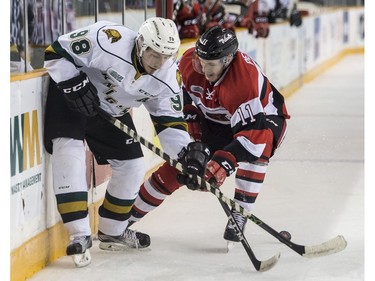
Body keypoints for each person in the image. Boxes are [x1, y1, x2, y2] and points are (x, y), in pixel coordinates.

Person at [43, 17, 209, 266]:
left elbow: (169, 123)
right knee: (70, 149)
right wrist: (73, 83)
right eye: (155, 54)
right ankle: (79, 234)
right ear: (141, 44)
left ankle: (112, 230)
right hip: (72, 96)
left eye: (167, 55)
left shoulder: (168, 77)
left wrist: (185, 157)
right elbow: (55, 51)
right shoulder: (108, 39)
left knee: (132, 165)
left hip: (109, 112)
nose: (160, 62)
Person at [129, 26, 290, 244]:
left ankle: (239, 213)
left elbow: (252, 137)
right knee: (180, 165)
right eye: (202, 61)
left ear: (228, 59)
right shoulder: (190, 62)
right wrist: (192, 120)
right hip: (216, 119)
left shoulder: (243, 81)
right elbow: (177, 90)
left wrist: (222, 164)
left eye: (211, 64)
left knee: (256, 154)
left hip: (264, 120)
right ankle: (126, 217)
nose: (204, 69)